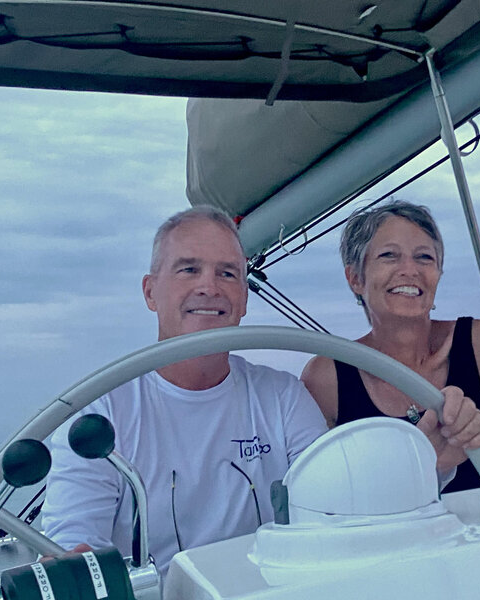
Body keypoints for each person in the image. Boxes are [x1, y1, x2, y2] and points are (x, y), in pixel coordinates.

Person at [41, 206, 329, 574]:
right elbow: (75, 547)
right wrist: (72, 564)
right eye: (189, 269)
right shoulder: (98, 417)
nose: (209, 287)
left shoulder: (283, 398)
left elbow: (328, 513)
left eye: (227, 273)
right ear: (150, 292)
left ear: (243, 298)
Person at [301, 200, 480, 491]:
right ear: (356, 278)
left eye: (424, 258)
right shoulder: (325, 377)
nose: (410, 270)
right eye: (389, 256)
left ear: (438, 275)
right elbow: (323, 498)